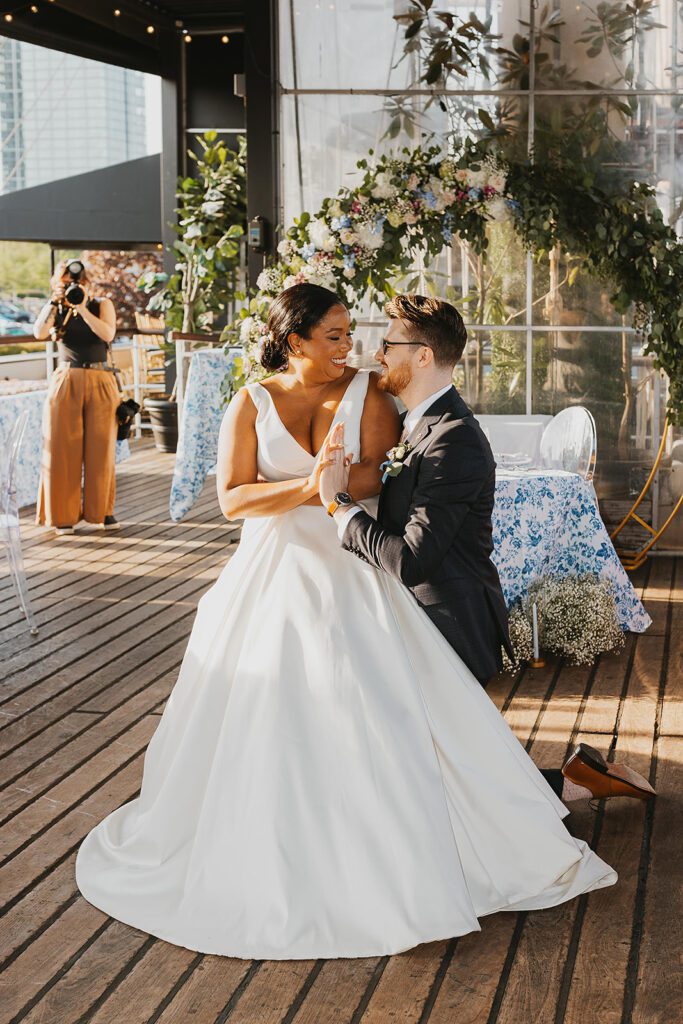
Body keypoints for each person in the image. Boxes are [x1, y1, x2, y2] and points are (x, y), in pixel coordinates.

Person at [76, 283, 620, 963]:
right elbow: (231, 499)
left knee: (376, 706)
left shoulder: (370, 394)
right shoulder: (250, 401)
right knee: (263, 710)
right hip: (269, 570)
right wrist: (309, 488)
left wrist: (330, 493)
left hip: (349, 565)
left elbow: (370, 486)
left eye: (354, 334)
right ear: (294, 339)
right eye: (334, 335)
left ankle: (419, 842)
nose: (351, 347)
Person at [321, 292, 656, 803]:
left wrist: (340, 506)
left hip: (447, 625)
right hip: (415, 621)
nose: (379, 354)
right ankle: (577, 780)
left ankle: (577, 784)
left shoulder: (453, 437)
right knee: (450, 767)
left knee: (455, 778)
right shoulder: (415, 423)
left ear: (424, 356)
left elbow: (413, 559)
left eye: (389, 344)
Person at [33, 257, 120, 535]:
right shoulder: (57, 306)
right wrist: (55, 302)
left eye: (80, 281)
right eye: (69, 281)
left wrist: (82, 307)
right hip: (67, 377)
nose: (75, 285)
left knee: (101, 447)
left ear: (88, 281)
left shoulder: (100, 304)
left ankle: (101, 512)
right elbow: (39, 333)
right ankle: (62, 516)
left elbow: (107, 333)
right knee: (61, 449)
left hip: (100, 377)